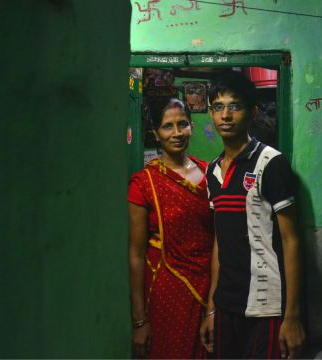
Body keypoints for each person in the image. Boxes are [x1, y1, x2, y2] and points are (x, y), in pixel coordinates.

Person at [199, 71, 306, 359]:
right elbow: (220, 243)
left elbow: (291, 240)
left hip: (265, 306)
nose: (225, 115)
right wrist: (211, 308)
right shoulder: (213, 171)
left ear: (253, 112)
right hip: (225, 305)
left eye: (234, 106)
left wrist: (292, 316)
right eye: (218, 107)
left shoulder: (270, 163)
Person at [128, 98, 214, 359]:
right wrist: (139, 321)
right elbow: (135, 254)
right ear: (156, 132)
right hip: (168, 288)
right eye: (168, 127)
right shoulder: (145, 183)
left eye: (183, 124)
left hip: (211, 286)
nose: (177, 133)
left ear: (191, 127)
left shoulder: (211, 174)